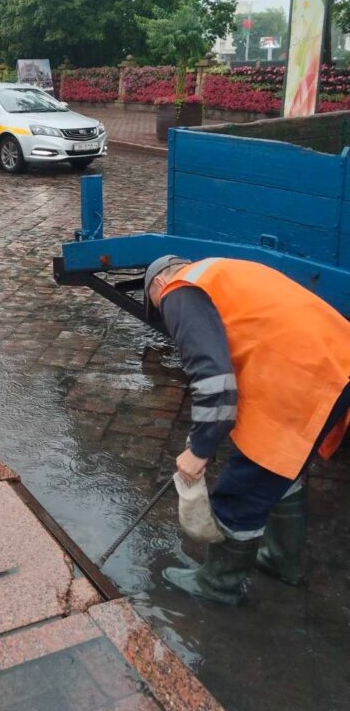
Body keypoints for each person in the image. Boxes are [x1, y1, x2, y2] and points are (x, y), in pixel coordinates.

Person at [143, 255, 350, 604]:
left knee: (240, 491)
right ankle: (282, 561)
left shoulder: (179, 290)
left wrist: (199, 450)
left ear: (159, 285)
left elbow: (215, 382)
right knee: (282, 468)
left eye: (156, 306)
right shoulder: (219, 272)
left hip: (303, 380)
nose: (165, 314)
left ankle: (218, 584)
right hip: (335, 365)